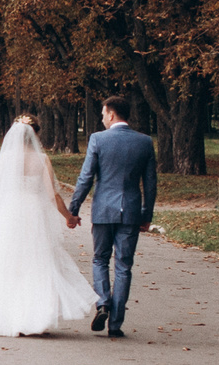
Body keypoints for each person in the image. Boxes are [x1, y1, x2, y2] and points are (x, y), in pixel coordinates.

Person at [0, 116, 100, 336]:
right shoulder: (41, 159)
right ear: (35, 134)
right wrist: (68, 216)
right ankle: (34, 318)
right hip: (33, 214)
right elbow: (52, 195)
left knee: (10, 265)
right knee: (35, 264)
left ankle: (9, 318)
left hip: (9, 213)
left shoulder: (6, 158)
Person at [64, 95, 158, 338]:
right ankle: (115, 324)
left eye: (103, 114)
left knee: (100, 259)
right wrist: (146, 214)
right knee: (124, 266)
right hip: (131, 211)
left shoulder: (98, 139)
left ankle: (103, 303)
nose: (102, 118)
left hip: (103, 210)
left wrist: (73, 210)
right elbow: (150, 183)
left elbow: (86, 178)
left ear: (112, 114)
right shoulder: (145, 142)